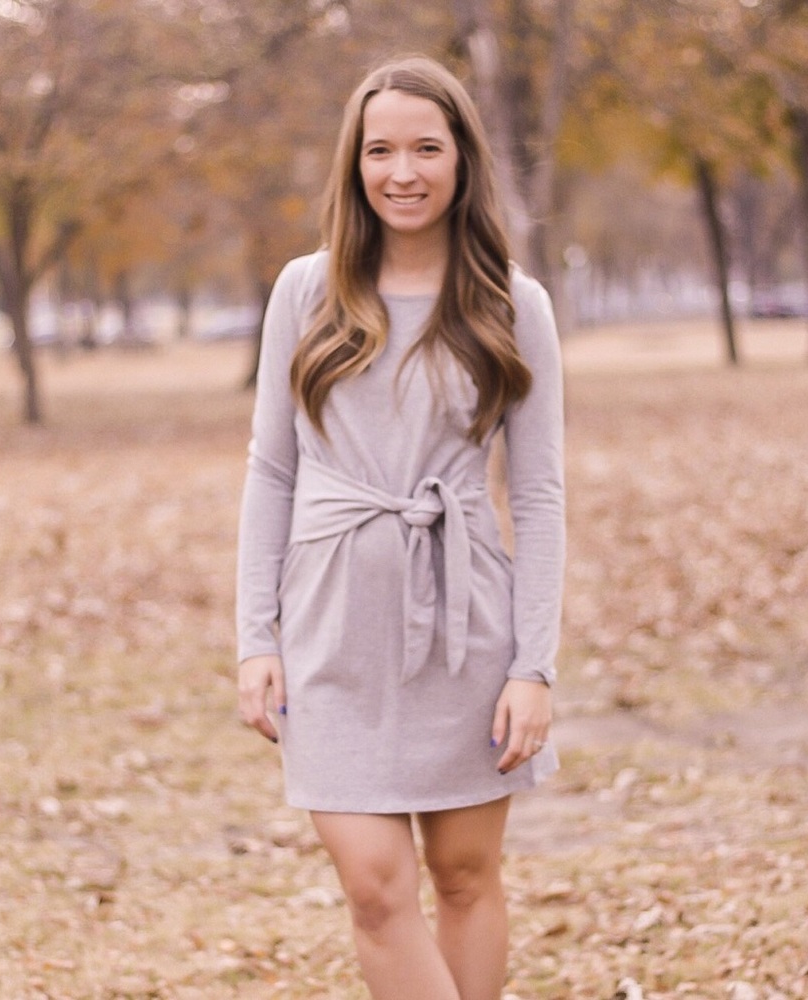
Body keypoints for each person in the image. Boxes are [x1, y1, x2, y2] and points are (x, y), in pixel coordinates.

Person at [235, 54, 565, 1000]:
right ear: (355, 164)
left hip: (467, 624)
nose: (403, 171)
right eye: (380, 150)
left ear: (462, 160)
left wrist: (531, 666)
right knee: (376, 891)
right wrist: (256, 639)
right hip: (331, 625)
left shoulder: (512, 301)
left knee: (465, 877)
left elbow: (538, 495)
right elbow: (271, 470)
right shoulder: (306, 291)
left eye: (427, 147)